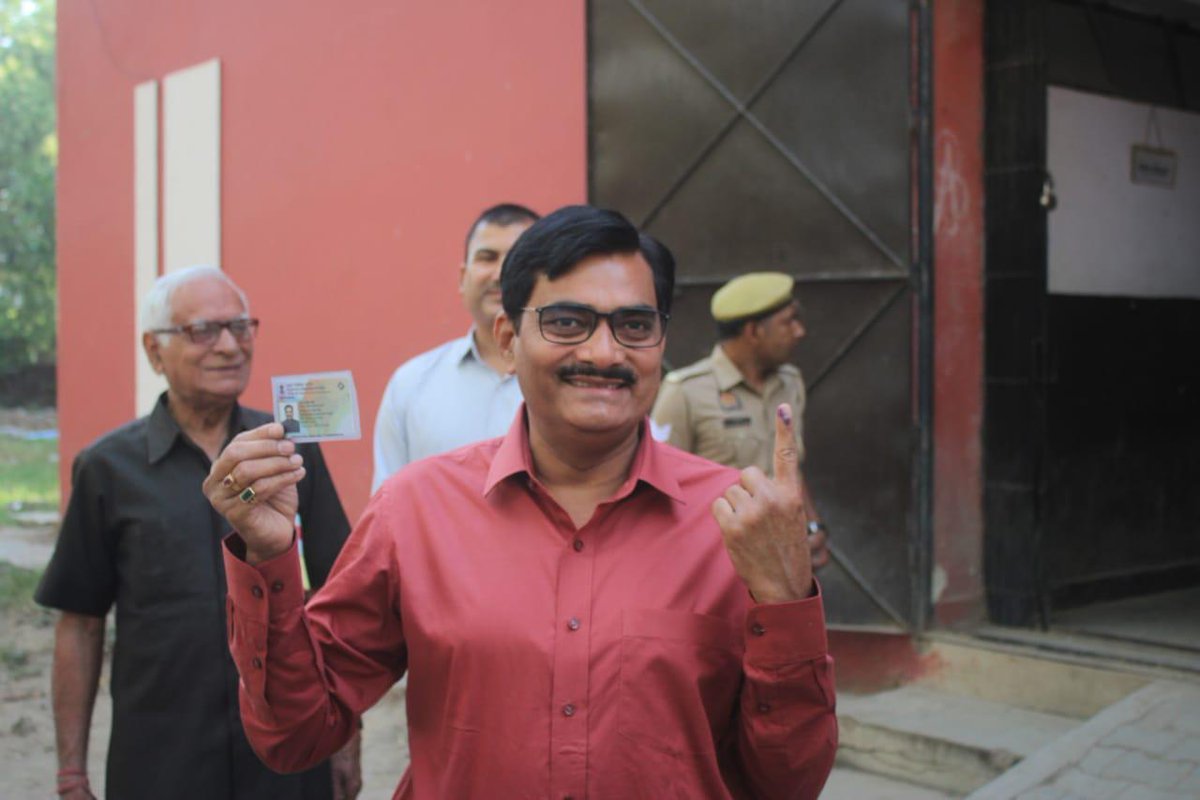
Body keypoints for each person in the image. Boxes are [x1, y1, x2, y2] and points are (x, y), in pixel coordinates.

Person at [204, 207, 837, 798]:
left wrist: (785, 602)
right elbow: (296, 735)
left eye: (634, 325)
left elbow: (788, 780)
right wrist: (269, 554)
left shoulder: (733, 525)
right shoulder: (415, 510)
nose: (604, 352)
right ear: (507, 339)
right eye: (567, 322)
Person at [35, 266, 361, 800]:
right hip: (161, 755)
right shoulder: (107, 467)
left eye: (241, 326)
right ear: (154, 350)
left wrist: (347, 741)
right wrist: (71, 772)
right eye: (203, 331)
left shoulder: (291, 454)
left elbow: (335, 597)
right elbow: (80, 623)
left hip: (287, 752)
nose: (230, 346)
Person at [653, 271, 831, 556]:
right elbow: (659, 490)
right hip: (717, 556)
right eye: (788, 321)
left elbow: (791, 467)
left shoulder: (790, 382)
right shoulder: (684, 392)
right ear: (753, 332)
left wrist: (814, 526)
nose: (799, 331)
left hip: (784, 552)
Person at [370, 202, 539, 491]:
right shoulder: (410, 385)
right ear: (463, 278)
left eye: (516, 258)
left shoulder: (574, 382)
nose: (500, 273)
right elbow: (388, 505)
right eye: (487, 257)